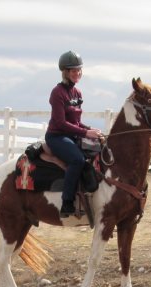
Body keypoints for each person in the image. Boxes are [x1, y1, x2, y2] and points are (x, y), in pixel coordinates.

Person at [45, 51, 103, 217]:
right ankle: (67, 202)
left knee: (97, 152)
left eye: (79, 70)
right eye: (73, 70)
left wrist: (92, 131)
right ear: (65, 72)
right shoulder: (57, 92)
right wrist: (86, 132)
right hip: (57, 136)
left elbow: (76, 122)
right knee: (77, 160)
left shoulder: (77, 93)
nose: (77, 73)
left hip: (71, 135)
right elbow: (60, 123)